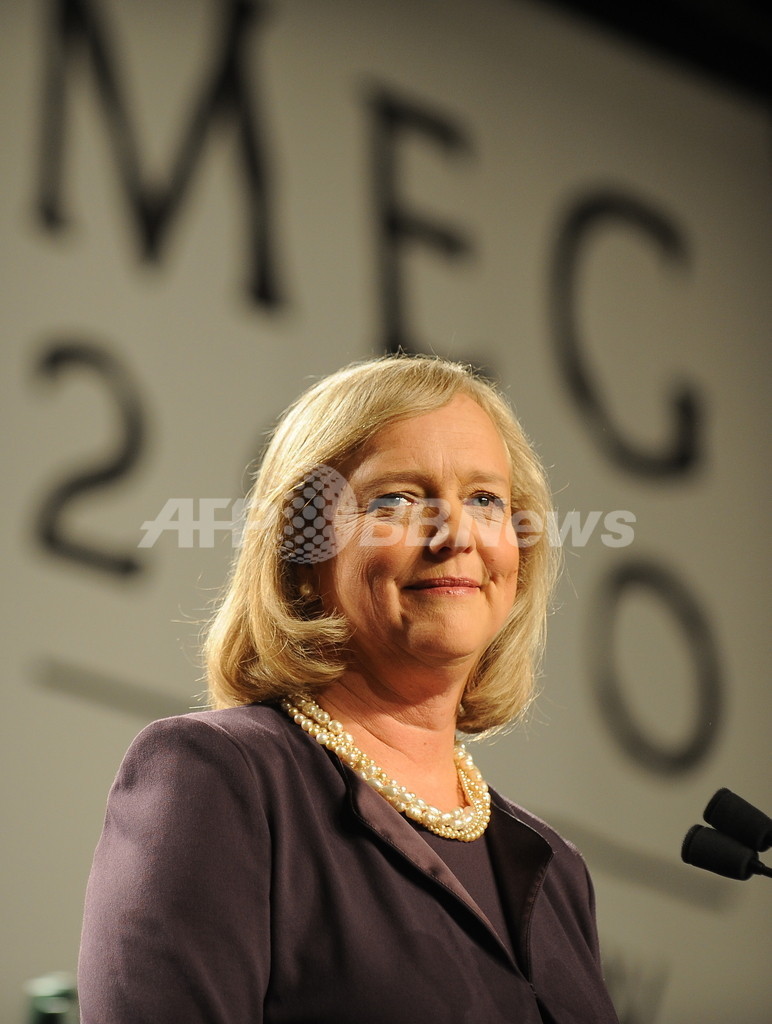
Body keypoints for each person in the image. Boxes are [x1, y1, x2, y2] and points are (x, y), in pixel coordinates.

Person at [78, 354, 619, 1023]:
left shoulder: (556, 870)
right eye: (396, 500)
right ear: (303, 558)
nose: (456, 535)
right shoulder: (223, 778)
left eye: (485, 500)